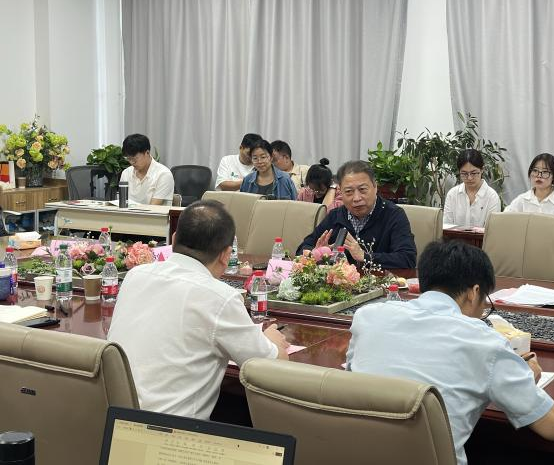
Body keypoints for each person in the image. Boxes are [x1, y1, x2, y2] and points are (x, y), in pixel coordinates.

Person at [346, 240, 554, 465]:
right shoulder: (485, 342)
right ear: (474, 292)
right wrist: (525, 377)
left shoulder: (368, 317)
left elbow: (351, 379)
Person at [108, 200, 289, 419]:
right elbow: (273, 370)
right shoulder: (220, 297)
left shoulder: (135, 276)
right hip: (171, 434)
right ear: (226, 255)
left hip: (113, 423)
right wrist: (271, 341)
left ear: (174, 239)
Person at [297, 160, 417, 269]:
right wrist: (317, 253)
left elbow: (407, 258)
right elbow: (303, 247)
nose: (356, 198)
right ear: (341, 192)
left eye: (362, 189)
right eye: (349, 191)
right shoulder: (336, 216)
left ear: (375, 187)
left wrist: (365, 256)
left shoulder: (393, 215)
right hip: (340, 284)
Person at [505, 153, 554, 218]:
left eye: (545, 172)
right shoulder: (522, 199)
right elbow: (504, 218)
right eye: (535, 170)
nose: (539, 176)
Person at [443, 149, 501, 227]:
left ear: (482, 170)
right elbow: (446, 225)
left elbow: (492, 230)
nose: (469, 178)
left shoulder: (492, 197)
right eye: (464, 173)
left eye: (473, 173)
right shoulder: (452, 194)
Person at [119, 133, 174, 205]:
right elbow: (122, 204)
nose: (132, 162)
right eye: (128, 159)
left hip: (153, 212)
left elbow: (153, 208)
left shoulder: (163, 174)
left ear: (147, 153)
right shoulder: (126, 173)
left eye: (135, 158)